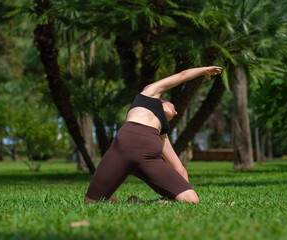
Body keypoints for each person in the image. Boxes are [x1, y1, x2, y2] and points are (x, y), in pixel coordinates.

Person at [85, 66, 222, 204]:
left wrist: (182, 189)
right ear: (162, 101)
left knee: (191, 200)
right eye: (173, 108)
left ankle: (137, 203)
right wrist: (204, 70)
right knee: (90, 203)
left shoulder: (161, 134)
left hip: (148, 159)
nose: (175, 113)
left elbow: (178, 167)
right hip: (120, 151)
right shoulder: (149, 95)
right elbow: (182, 75)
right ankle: (112, 202)